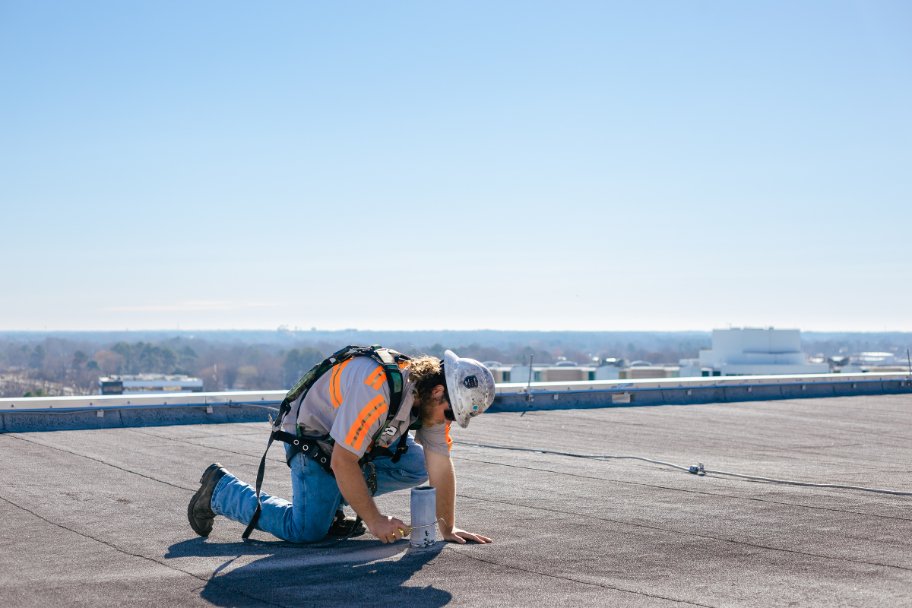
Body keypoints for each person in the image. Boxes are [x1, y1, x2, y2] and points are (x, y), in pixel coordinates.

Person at [187, 348, 495, 545]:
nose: (447, 421)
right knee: (306, 530)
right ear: (439, 391)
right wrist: (375, 520)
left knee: (417, 464)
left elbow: (439, 463)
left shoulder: (428, 398)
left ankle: (331, 502)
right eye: (451, 413)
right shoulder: (378, 390)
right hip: (311, 439)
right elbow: (343, 460)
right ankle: (221, 491)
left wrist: (447, 528)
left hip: (347, 443)